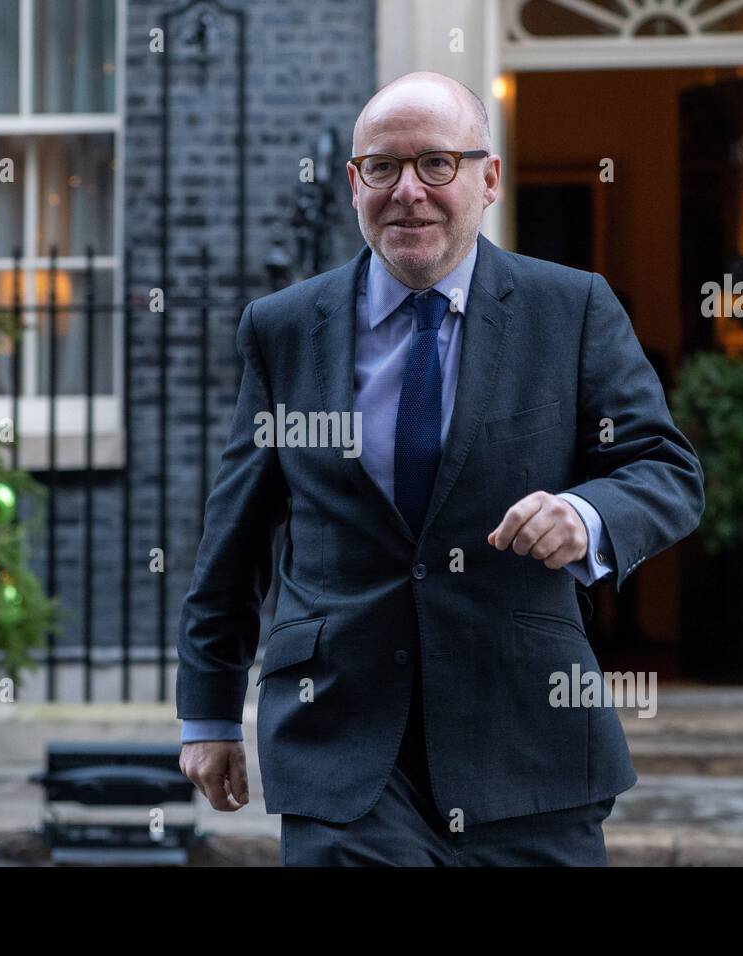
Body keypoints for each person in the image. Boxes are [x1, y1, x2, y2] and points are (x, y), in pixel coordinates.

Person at [175, 71, 705, 866]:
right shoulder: (284, 330)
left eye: (436, 165)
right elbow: (237, 536)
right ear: (354, 185)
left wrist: (588, 514)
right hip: (344, 747)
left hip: (527, 745)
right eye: (383, 168)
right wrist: (210, 714)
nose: (408, 192)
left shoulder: (571, 309)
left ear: (487, 178)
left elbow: (665, 469)